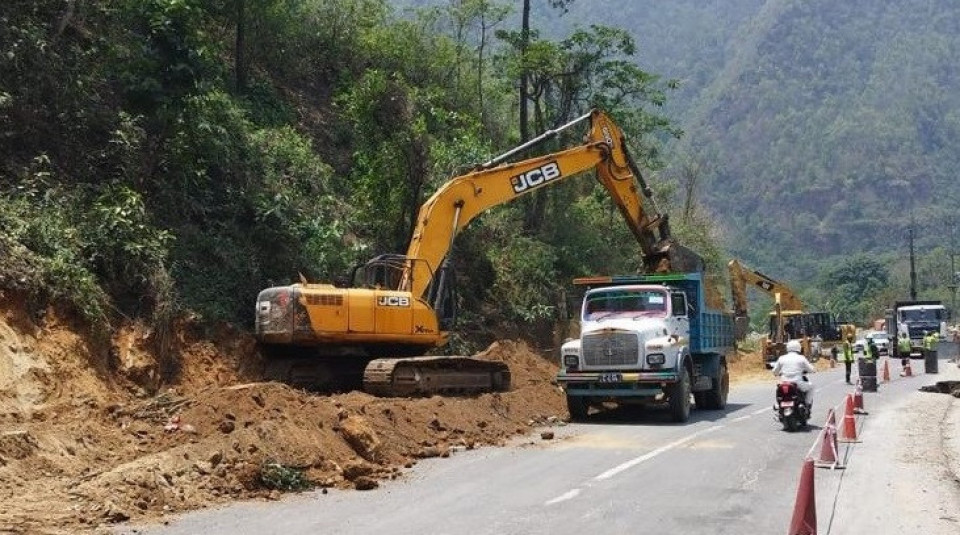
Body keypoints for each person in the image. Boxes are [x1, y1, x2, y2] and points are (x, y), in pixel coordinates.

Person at [772, 339, 816, 409]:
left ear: (788, 348)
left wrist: (778, 373)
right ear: (798, 348)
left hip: (784, 382)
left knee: (777, 389)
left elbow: (774, 372)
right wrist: (812, 370)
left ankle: (778, 405)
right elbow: (811, 369)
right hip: (797, 383)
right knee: (812, 387)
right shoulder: (801, 358)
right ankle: (807, 404)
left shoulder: (781, 358)